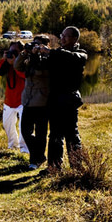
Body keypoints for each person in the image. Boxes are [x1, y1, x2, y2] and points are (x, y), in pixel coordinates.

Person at [41, 26, 88, 171]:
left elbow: (69, 57)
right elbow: (43, 65)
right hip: (55, 99)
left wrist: (51, 52)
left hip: (69, 100)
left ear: (75, 39)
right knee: (55, 134)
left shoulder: (81, 54)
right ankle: (54, 168)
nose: (62, 38)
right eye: (62, 35)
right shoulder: (57, 54)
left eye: (66, 36)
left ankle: (77, 168)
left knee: (71, 134)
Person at [14, 35, 51, 170]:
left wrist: (38, 56)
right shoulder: (29, 59)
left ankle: (34, 160)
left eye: (38, 45)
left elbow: (40, 73)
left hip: (42, 101)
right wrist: (24, 53)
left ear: (45, 46)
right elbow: (17, 66)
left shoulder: (48, 59)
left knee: (41, 133)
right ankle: (39, 156)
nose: (35, 47)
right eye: (34, 44)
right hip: (28, 101)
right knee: (25, 131)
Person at [0, 41, 28, 153]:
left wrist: (16, 63)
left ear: (21, 51)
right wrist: (4, 60)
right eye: (10, 51)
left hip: (23, 100)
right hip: (9, 100)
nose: (12, 53)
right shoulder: (7, 63)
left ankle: (24, 149)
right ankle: (13, 145)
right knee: (7, 124)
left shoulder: (26, 61)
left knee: (23, 126)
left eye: (15, 51)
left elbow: (25, 75)